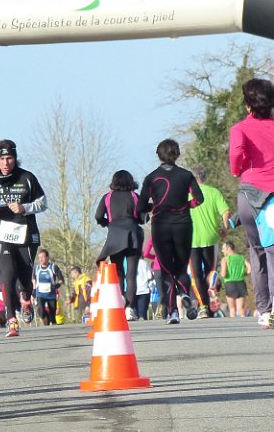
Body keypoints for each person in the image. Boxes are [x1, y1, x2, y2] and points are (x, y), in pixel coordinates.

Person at [0, 140, 47, 338]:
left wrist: (24, 208)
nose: (6, 162)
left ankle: (26, 298)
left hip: (26, 234)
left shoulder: (27, 178)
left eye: (9, 158)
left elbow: (43, 203)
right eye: (2, 159)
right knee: (8, 275)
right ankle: (11, 320)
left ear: (15, 158)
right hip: (2, 235)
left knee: (25, 279)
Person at [138, 139, 204, 325]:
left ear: (158, 155)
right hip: (183, 224)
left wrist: (155, 206)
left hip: (161, 226)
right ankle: (184, 293)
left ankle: (173, 312)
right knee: (181, 267)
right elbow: (199, 198)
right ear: (177, 154)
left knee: (167, 270)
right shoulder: (186, 175)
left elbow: (141, 206)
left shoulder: (151, 178)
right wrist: (185, 206)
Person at [228, 78, 274, 329]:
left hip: (249, 194)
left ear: (248, 105)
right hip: (272, 195)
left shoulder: (240, 128)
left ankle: (264, 311)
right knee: (273, 250)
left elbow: (236, 153)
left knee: (257, 253)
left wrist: (237, 169)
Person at [94, 170, 145, 321]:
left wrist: (106, 223)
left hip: (115, 234)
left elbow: (98, 216)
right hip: (133, 234)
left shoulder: (108, 197)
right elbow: (143, 218)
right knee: (131, 274)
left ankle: (121, 300)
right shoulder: (134, 196)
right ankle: (130, 308)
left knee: (118, 272)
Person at [188, 165, 231, 318]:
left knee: (196, 275)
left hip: (191, 239)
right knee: (210, 271)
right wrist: (225, 228)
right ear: (204, 177)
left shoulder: (186, 194)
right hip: (211, 237)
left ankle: (203, 307)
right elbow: (226, 211)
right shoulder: (214, 192)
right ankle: (212, 287)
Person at [31, 249, 64, 326]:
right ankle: (46, 327)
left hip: (51, 295)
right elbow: (34, 279)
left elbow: (61, 280)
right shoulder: (36, 268)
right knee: (42, 314)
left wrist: (56, 286)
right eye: (39, 257)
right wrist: (33, 291)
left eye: (43, 257)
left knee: (53, 317)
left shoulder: (53, 267)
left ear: (47, 257)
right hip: (40, 294)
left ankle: (53, 326)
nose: (41, 259)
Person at [219, 241, 251, 318]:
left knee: (232, 309)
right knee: (241, 308)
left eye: (223, 249)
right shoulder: (241, 258)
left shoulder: (225, 259)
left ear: (229, 248)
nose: (222, 251)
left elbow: (223, 274)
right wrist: (244, 273)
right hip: (241, 283)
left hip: (230, 284)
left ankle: (234, 324)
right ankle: (244, 322)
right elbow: (249, 269)